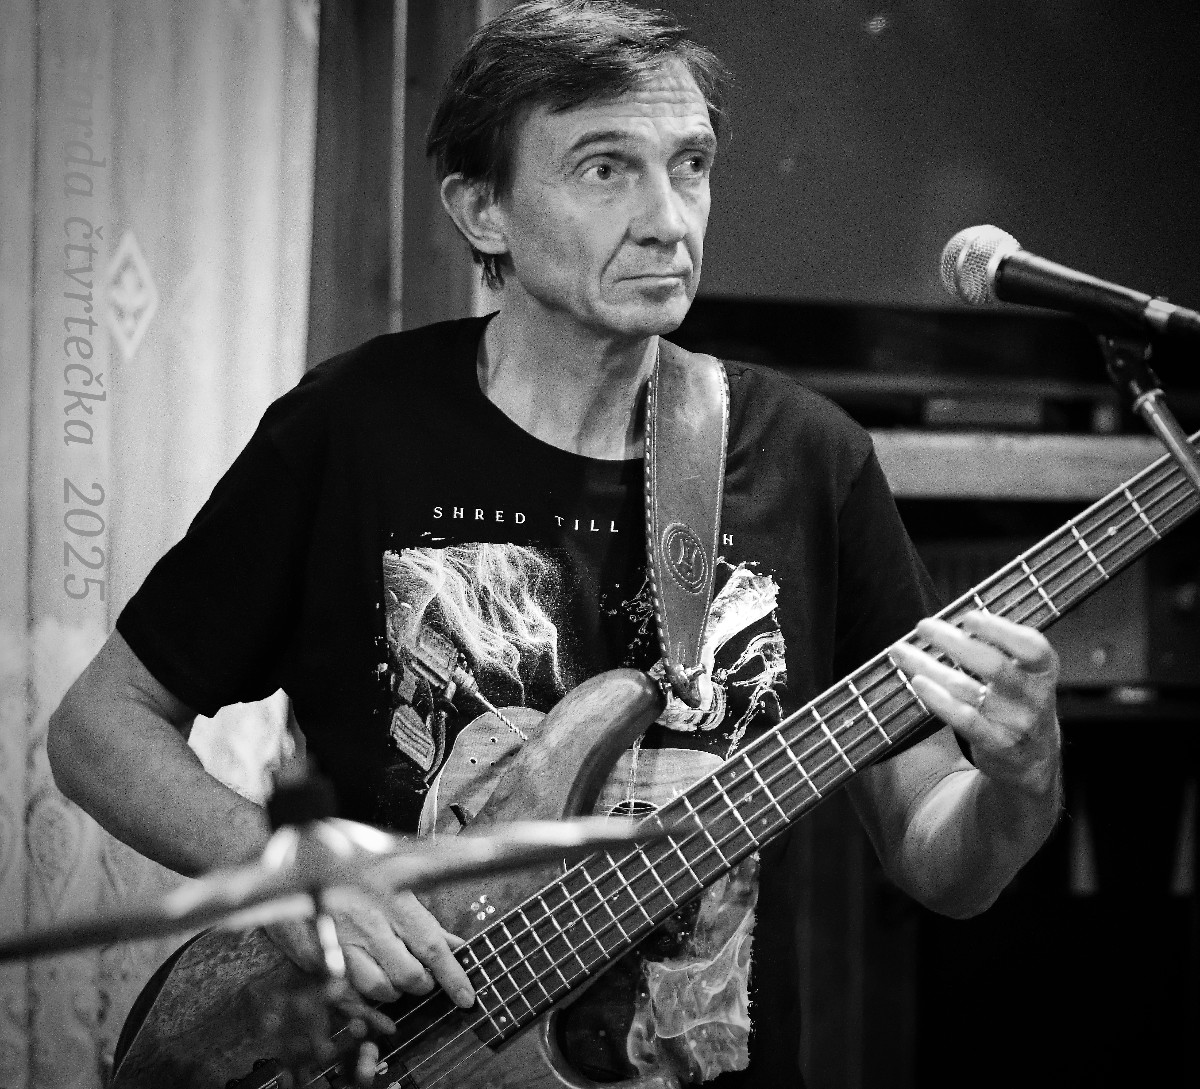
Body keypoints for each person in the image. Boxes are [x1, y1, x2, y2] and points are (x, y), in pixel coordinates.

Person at [47, 2, 1062, 1085]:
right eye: (605, 170)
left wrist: (1023, 780)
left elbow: (941, 861)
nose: (669, 220)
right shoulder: (355, 429)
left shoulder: (810, 457)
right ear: (482, 209)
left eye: (691, 165)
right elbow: (100, 727)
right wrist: (282, 868)